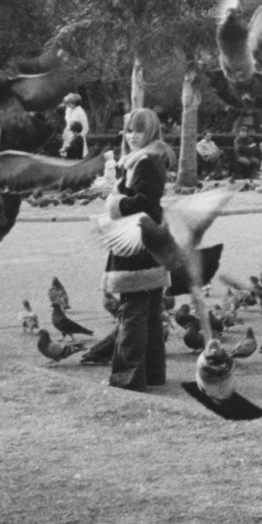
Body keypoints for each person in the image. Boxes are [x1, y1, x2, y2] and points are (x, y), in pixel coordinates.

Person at [102, 108, 171, 391]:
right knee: (150, 313)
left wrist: (115, 205)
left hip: (136, 245)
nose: (132, 136)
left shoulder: (144, 161)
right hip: (148, 243)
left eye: (138, 130)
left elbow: (145, 200)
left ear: (151, 132)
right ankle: (152, 373)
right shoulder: (143, 159)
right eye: (129, 130)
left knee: (133, 311)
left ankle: (129, 375)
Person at [59, 93, 91, 159]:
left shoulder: (81, 112)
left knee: (75, 155)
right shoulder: (68, 110)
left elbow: (86, 127)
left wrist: (77, 137)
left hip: (77, 138)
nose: (66, 105)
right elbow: (68, 123)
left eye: (68, 103)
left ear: (74, 103)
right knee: (67, 155)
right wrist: (65, 133)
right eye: (66, 103)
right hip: (68, 136)